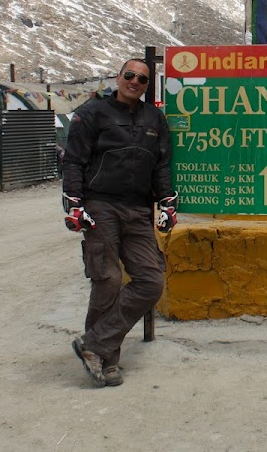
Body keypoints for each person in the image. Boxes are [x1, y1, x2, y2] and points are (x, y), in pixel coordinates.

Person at [61, 58, 177, 387]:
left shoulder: (155, 118)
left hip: (139, 209)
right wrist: (73, 202)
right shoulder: (93, 112)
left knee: (151, 280)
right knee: (108, 279)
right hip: (101, 205)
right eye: (130, 75)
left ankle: (93, 344)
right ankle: (106, 360)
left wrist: (167, 201)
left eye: (142, 78)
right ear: (118, 77)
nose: (135, 81)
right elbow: (74, 159)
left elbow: (162, 165)